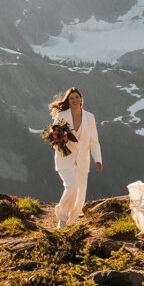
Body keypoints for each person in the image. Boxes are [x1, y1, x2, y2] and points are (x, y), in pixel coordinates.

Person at [50, 87, 103, 228]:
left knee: (79, 197)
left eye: (77, 97)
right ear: (68, 100)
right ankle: (61, 214)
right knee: (71, 187)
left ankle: (69, 223)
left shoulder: (90, 117)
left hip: (82, 161)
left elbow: (94, 141)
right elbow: (53, 138)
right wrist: (63, 141)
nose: (74, 100)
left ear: (81, 99)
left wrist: (97, 159)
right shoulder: (61, 116)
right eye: (71, 98)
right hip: (64, 158)